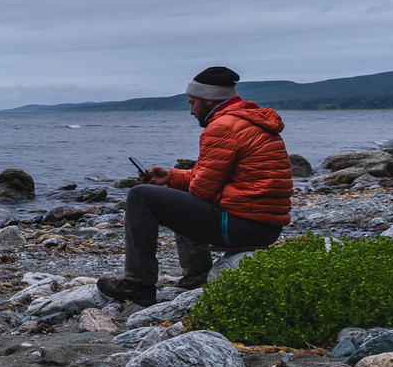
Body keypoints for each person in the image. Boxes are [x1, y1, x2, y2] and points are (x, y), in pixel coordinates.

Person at [97, 66, 291, 307]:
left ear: (209, 100)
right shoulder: (246, 121)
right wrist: (169, 178)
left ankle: (139, 284)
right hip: (263, 225)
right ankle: (197, 276)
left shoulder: (223, 127)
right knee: (177, 197)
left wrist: (167, 192)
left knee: (139, 195)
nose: (191, 111)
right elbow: (208, 179)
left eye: (192, 103)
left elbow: (202, 192)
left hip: (245, 226)